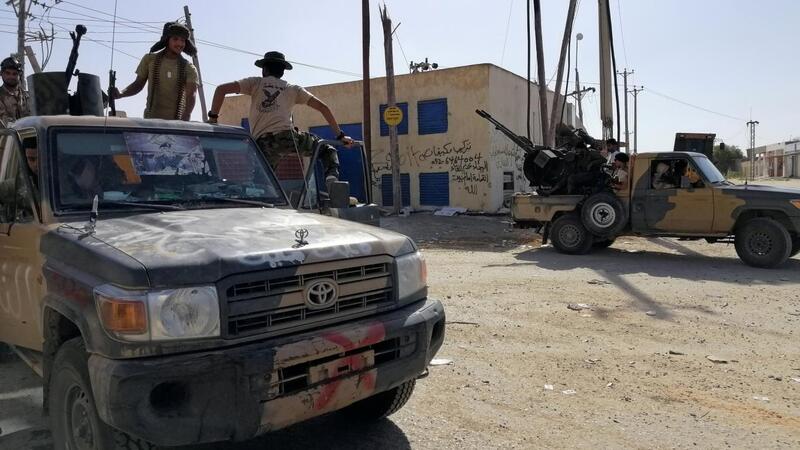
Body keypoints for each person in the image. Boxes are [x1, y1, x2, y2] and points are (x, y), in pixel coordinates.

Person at [207, 51, 352, 181]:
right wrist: (340, 136)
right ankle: (332, 177)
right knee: (325, 148)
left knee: (262, 183)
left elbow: (221, 89)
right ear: (283, 72)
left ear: (264, 69)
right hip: (288, 138)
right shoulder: (293, 89)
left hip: (263, 144)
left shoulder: (255, 83)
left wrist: (213, 118)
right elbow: (323, 107)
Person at [113, 22, 198, 121]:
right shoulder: (149, 60)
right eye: (175, 39)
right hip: (151, 122)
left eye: (183, 40)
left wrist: (185, 119)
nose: (179, 44)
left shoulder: (189, 68)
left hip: (176, 124)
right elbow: (138, 84)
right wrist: (121, 93)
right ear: (167, 40)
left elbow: (191, 95)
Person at [0, 57, 30, 124]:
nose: (11, 77)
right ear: (1, 74)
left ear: (19, 75)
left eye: (15, 74)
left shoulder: (28, 97)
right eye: (7, 73)